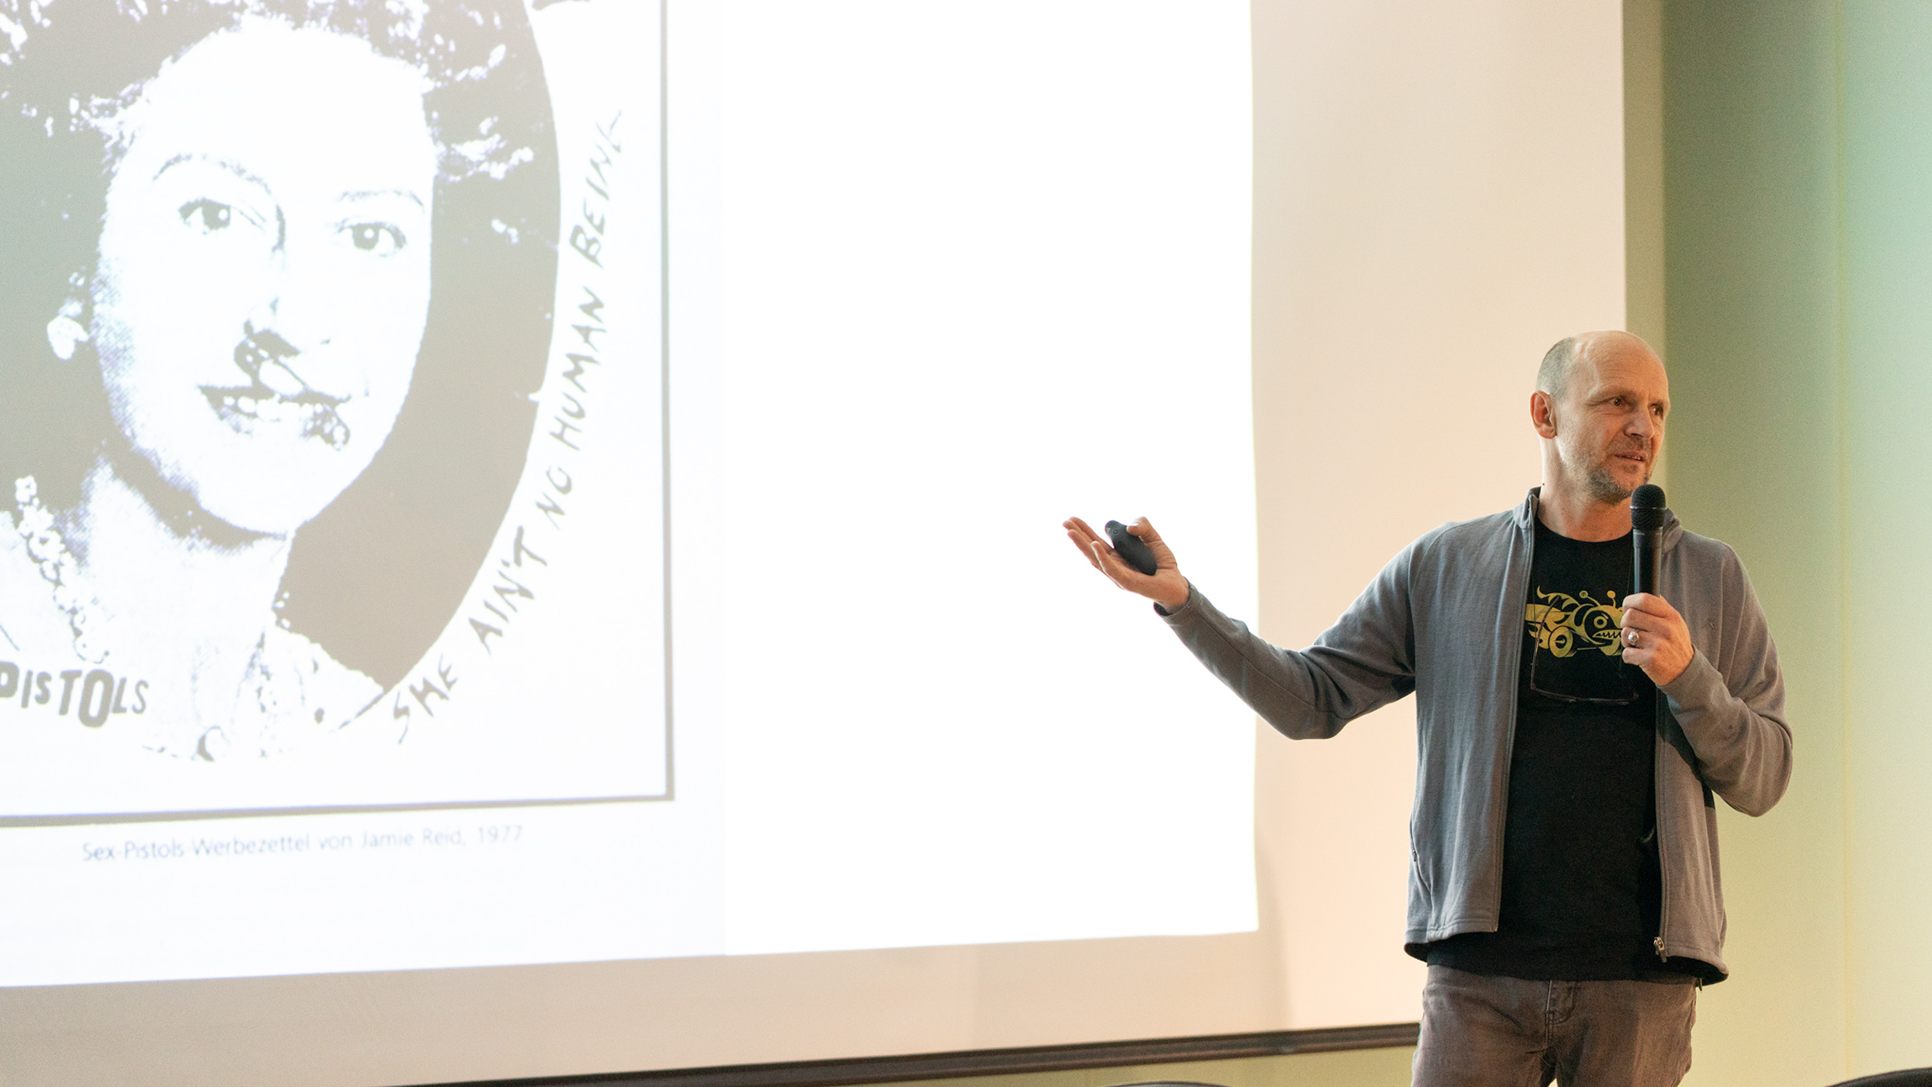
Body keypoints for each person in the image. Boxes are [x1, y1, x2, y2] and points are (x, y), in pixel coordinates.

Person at [1066, 331, 1792, 1087]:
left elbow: (1765, 775)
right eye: (1616, 403)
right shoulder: (1448, 565)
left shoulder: (1709, 576)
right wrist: (1186, 606)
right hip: (1480, 975)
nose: (1642, 427)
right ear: (1544, 414)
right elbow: (1310, 698)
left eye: (1657, 408)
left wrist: (1690, 677)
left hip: (1640, 980)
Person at [0, 0, 557, 760]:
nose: (295, 317)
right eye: (214, 216)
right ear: (71, 275)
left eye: (370, 236)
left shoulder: (357, 723)